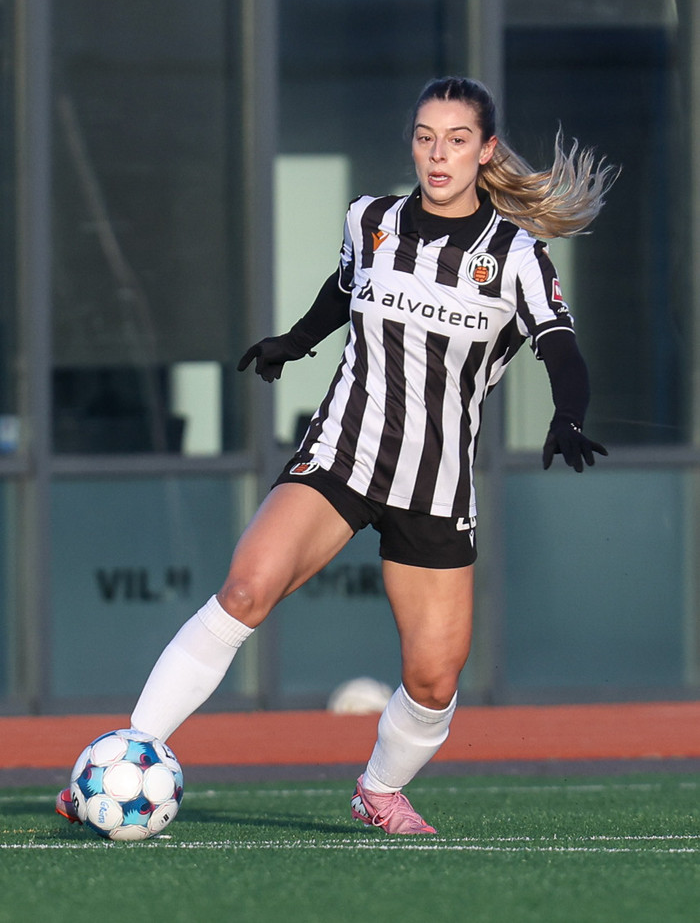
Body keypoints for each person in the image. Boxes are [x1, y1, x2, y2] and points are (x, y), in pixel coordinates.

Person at [57, 76, 615, 835]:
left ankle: (379, 789)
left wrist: (568, 415)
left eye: (456, 140)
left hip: (434, 484)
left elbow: (561, 348)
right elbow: (345, 287)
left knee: (434, 680)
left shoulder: (517, 257)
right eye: (425, 137)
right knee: (246, 589)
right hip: (342, 453)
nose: (438, 154)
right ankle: (122, 758)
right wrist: (296, 340)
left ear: (485, 151)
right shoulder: (371, 219)